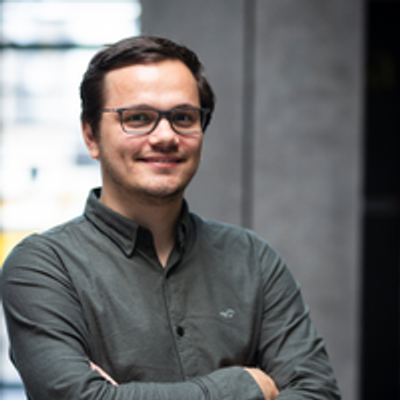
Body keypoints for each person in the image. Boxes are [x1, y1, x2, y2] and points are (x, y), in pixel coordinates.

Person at [1, 36, 341, 400]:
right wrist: (244, 386)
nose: (165, 136)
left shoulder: (252, 259)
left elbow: (318, 393)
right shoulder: (44, 267)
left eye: (182, 118)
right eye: (137, 118)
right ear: (91, 136)